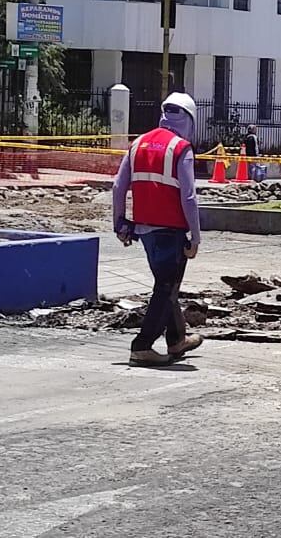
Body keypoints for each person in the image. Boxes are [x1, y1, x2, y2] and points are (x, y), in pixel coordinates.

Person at [113, 92, 204, 366]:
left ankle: (177, 340)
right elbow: (188, 197)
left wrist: (120, 223)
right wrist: (195, 236)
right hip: (172, 231)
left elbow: (118, 186)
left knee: (167, 286)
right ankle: (142, 345)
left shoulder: (137, 143)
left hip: (144, 231)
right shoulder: (181, 148)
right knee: (166, 288)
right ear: (189, 119)